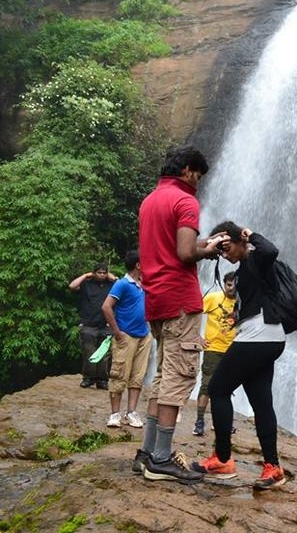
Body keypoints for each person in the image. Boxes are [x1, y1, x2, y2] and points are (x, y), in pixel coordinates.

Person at [136, 146, 227, 484]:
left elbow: (166, 247)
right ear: (188, 170)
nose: (199, 184)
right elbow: (185, 252)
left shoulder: (149, 201)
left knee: (162, 377)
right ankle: (161, 458)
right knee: (179, 377)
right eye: (198, 176)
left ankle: (146, 453)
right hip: (179, 299)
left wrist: (204, 243)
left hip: (156, 299)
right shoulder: (185, 201)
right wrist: (210, 248)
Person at [192, 222, 287, 490]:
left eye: (227, 247)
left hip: (258, 336)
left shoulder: (257, 258)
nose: (225, 254)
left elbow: (271, 250)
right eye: (221, 251)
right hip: (266, 337)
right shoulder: (244, 268)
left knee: (219, 389)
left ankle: (223, 459)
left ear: (239, 240)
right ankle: (273, 467)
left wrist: (247, 233)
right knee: (261, 401)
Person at [100, 250, 153, 429]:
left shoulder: (144, 285)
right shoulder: (122, 284)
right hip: (126, 335)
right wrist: (117, 332)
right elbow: (106, 307)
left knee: (138, 376)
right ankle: (115, 414)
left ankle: (131, 412)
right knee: (119, 373)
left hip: (144, 335)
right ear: (138, 265)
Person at [194, 271, 238, 437]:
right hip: (213, 349)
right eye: (228, 284)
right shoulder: (213, 298)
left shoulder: (241, 302)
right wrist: (197, 336)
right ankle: (199, 421)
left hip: (233, 351)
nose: (231, 288)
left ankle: (221, 422)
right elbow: (195, 311)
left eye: (234, 284)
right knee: (207, 385)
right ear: (224, 284)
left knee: (227, 387)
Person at [69, 262, 117, 389]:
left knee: (104, 354)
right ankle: (88, 378)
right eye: (99, 272)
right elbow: (72, 286)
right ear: (94, 273)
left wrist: (114, 278)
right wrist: (85, 275)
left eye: (104, 272)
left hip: (106, 324)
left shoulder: (112, 285)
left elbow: (125, 288)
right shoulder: (87, 284)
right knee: (89, 351)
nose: (102, 275)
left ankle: (102, 380)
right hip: (89, 324)